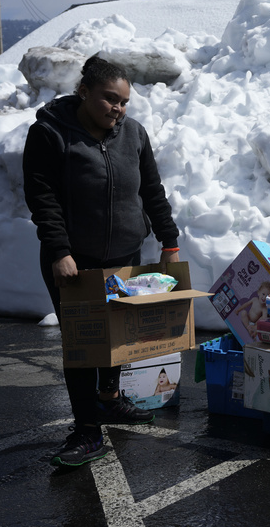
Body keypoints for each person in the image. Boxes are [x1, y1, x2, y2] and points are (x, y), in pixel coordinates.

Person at [23, 54, 181, 467]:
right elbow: (43, 197)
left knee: (118, 334)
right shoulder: (50, 133)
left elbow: (152, 189)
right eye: (110, 99)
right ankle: (87, 431)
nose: (118, 108)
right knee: (83, 345)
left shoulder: (134, 134)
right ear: (84, 92)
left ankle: (109, 399)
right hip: (76, 258)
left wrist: (170, 240)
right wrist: (59, 251)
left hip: (124, 251)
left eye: (124, 101)